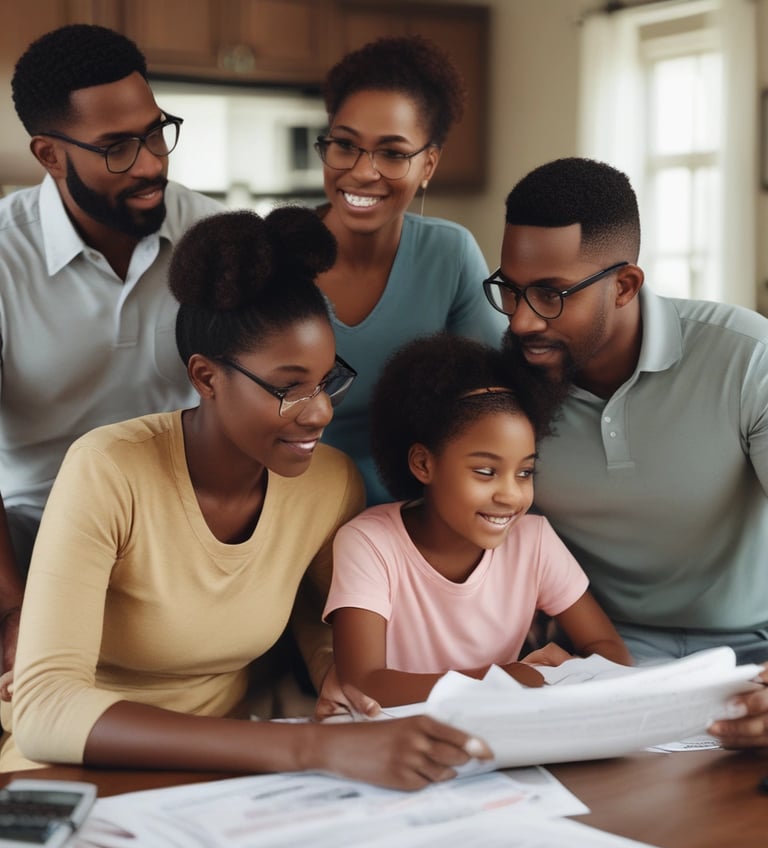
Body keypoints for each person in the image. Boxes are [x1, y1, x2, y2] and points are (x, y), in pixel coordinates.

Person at [0, 208, 491, 789]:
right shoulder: (108, 471)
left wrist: (333, 671)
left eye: (328, 381)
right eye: (288, 389)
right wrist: (310, 747)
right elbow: (44, 708)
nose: (320, 413)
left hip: (243, 771)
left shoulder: (328, 482)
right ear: (206, 379)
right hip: (81, 766)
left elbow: (320, 616)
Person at [0, 24, 224, 691]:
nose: (152, 163)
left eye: (156, 132)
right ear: (50, 156)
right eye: (117, 148)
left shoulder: (212, 237)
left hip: (181, 534)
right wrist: (12, 609)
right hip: (32, 539)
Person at [484, 156, 768, 673]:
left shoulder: (747, 358)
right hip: (607, 652)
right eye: (511, 289)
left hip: (757, 645)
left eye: (551, 294)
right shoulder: (505, 381)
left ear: (624, 287)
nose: (522, 321)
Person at [323, 332, 632, 706]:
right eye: (486, 472)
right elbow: (364, 684)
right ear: (424, 463)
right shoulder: (370, 542)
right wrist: (502, 679)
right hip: (400, 744)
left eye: (524, 472)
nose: (511, 495)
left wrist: (567, 674)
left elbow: (610, 649)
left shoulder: (533, 541)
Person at [313, 35, 506, 505]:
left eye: (393, 153)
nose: (362, 172)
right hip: (289, 511)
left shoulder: (450, 253)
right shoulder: (272, 254)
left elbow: (491, 398)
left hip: (411, 516)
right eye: (345, 145)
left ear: (428, 165)